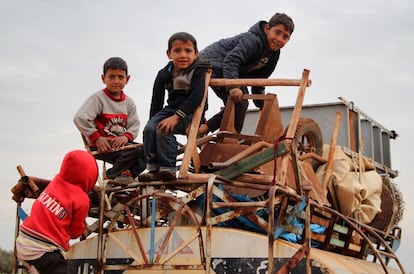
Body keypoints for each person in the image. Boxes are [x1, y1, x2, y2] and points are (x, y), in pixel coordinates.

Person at [198, 12, 294, 134]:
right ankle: (229, 136)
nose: (279, 39)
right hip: (210, 64)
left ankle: (206, 129)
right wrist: (233, 87)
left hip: (228, 70)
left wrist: (261, 105)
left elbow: (259, 79)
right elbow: (232, 60)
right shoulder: (253, 40)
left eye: (285, 37)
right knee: (240, 100)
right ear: (267, 29)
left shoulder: (273, 54)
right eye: (277, 32)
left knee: (239, 102)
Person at [139, 32, 211, 182]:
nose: (183, 55)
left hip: (192, 112)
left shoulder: (199, 70)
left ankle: (168, 169)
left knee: (164, 129)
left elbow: (197, 97)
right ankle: (152, 167)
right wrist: (152, 124)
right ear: (169, 54)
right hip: (171, 110)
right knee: (151, 128)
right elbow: (156, 102)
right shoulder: (164, 74)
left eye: (188, 51)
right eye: (177, 51)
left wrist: (176, 117)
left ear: (196, 54)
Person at [15, 150, 98, 274]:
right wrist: (82, 228)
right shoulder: (82, 199)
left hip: (23, 240)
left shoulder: (55, 183)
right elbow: (75, 232)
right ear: (90, 175)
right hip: (42, 249)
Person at [74, 57, 145, 180]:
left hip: (120, 144)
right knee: (135, 152)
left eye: (121, 77)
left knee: (147, 151)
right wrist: (97, 138)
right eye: (111, 77)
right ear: (103, 78)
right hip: (102, 144)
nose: (116, 81)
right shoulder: (98, 99)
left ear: (127, 79)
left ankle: (126, 175)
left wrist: (126, 136)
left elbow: (135, 125)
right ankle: (112, 175)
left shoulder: (128, 103)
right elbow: (80, 118)